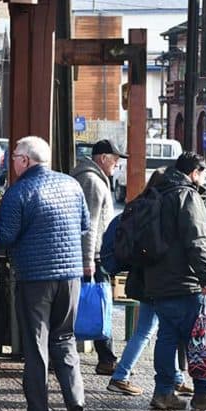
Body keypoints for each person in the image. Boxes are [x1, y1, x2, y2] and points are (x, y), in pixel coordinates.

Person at [0, 136, 90, 411]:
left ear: (26, 160)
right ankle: (75, 402)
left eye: (14, 157)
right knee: (64, 338)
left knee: (36, 347)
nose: (12, 161)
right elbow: (84, 225)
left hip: (36, 278)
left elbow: (6, 237)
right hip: (71, 276)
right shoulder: (72, 185)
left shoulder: (19, 191)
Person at [145, 151, 206, 411]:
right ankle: (204, 393)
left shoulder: (158, 192)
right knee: (198, 338)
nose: (203, 180)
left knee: (167, 337)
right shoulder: (187, 195)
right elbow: (197, 241)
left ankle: (163, 393)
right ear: (195, 172)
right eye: (203, 174)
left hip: (159, 279)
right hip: (185, 281)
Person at [104, 169, 193, 398]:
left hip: (142, 277)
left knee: (157, 328)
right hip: (157, 280)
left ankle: (176, 378)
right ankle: (121, 376)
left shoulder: (139, 206)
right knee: (153, 330)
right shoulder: (158, 209)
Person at [71, 138, 124, 376]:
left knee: (93, 303)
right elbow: (90, 224)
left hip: (94, 254)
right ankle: (106, 358)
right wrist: (87, 260)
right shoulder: (91, 181)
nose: (116, 165)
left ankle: (106, 357)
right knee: (98, 304)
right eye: (115, 160)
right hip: (93, 255)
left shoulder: (92, 178)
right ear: (103, 158)